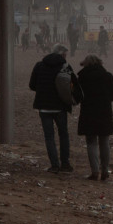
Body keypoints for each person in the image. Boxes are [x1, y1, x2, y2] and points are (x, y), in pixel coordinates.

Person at [29, 43, 79, 174]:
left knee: (49, 137)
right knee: (63, 135)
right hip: (60, 107)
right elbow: (73, 85)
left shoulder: (39, 65)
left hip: (43, 107)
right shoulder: (66, 67)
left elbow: (32, 85)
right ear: (62, 54)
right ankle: (65, 164)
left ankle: (54, 165)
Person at [77, 55, 113, 181]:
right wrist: (105, 100)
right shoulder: (107, 76)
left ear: (86, 64)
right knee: (104, 141)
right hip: (104, 111)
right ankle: (105, 170)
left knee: (91, 142)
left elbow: (78, 95)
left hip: (88, 111)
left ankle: (95, 171)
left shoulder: (82, 77)